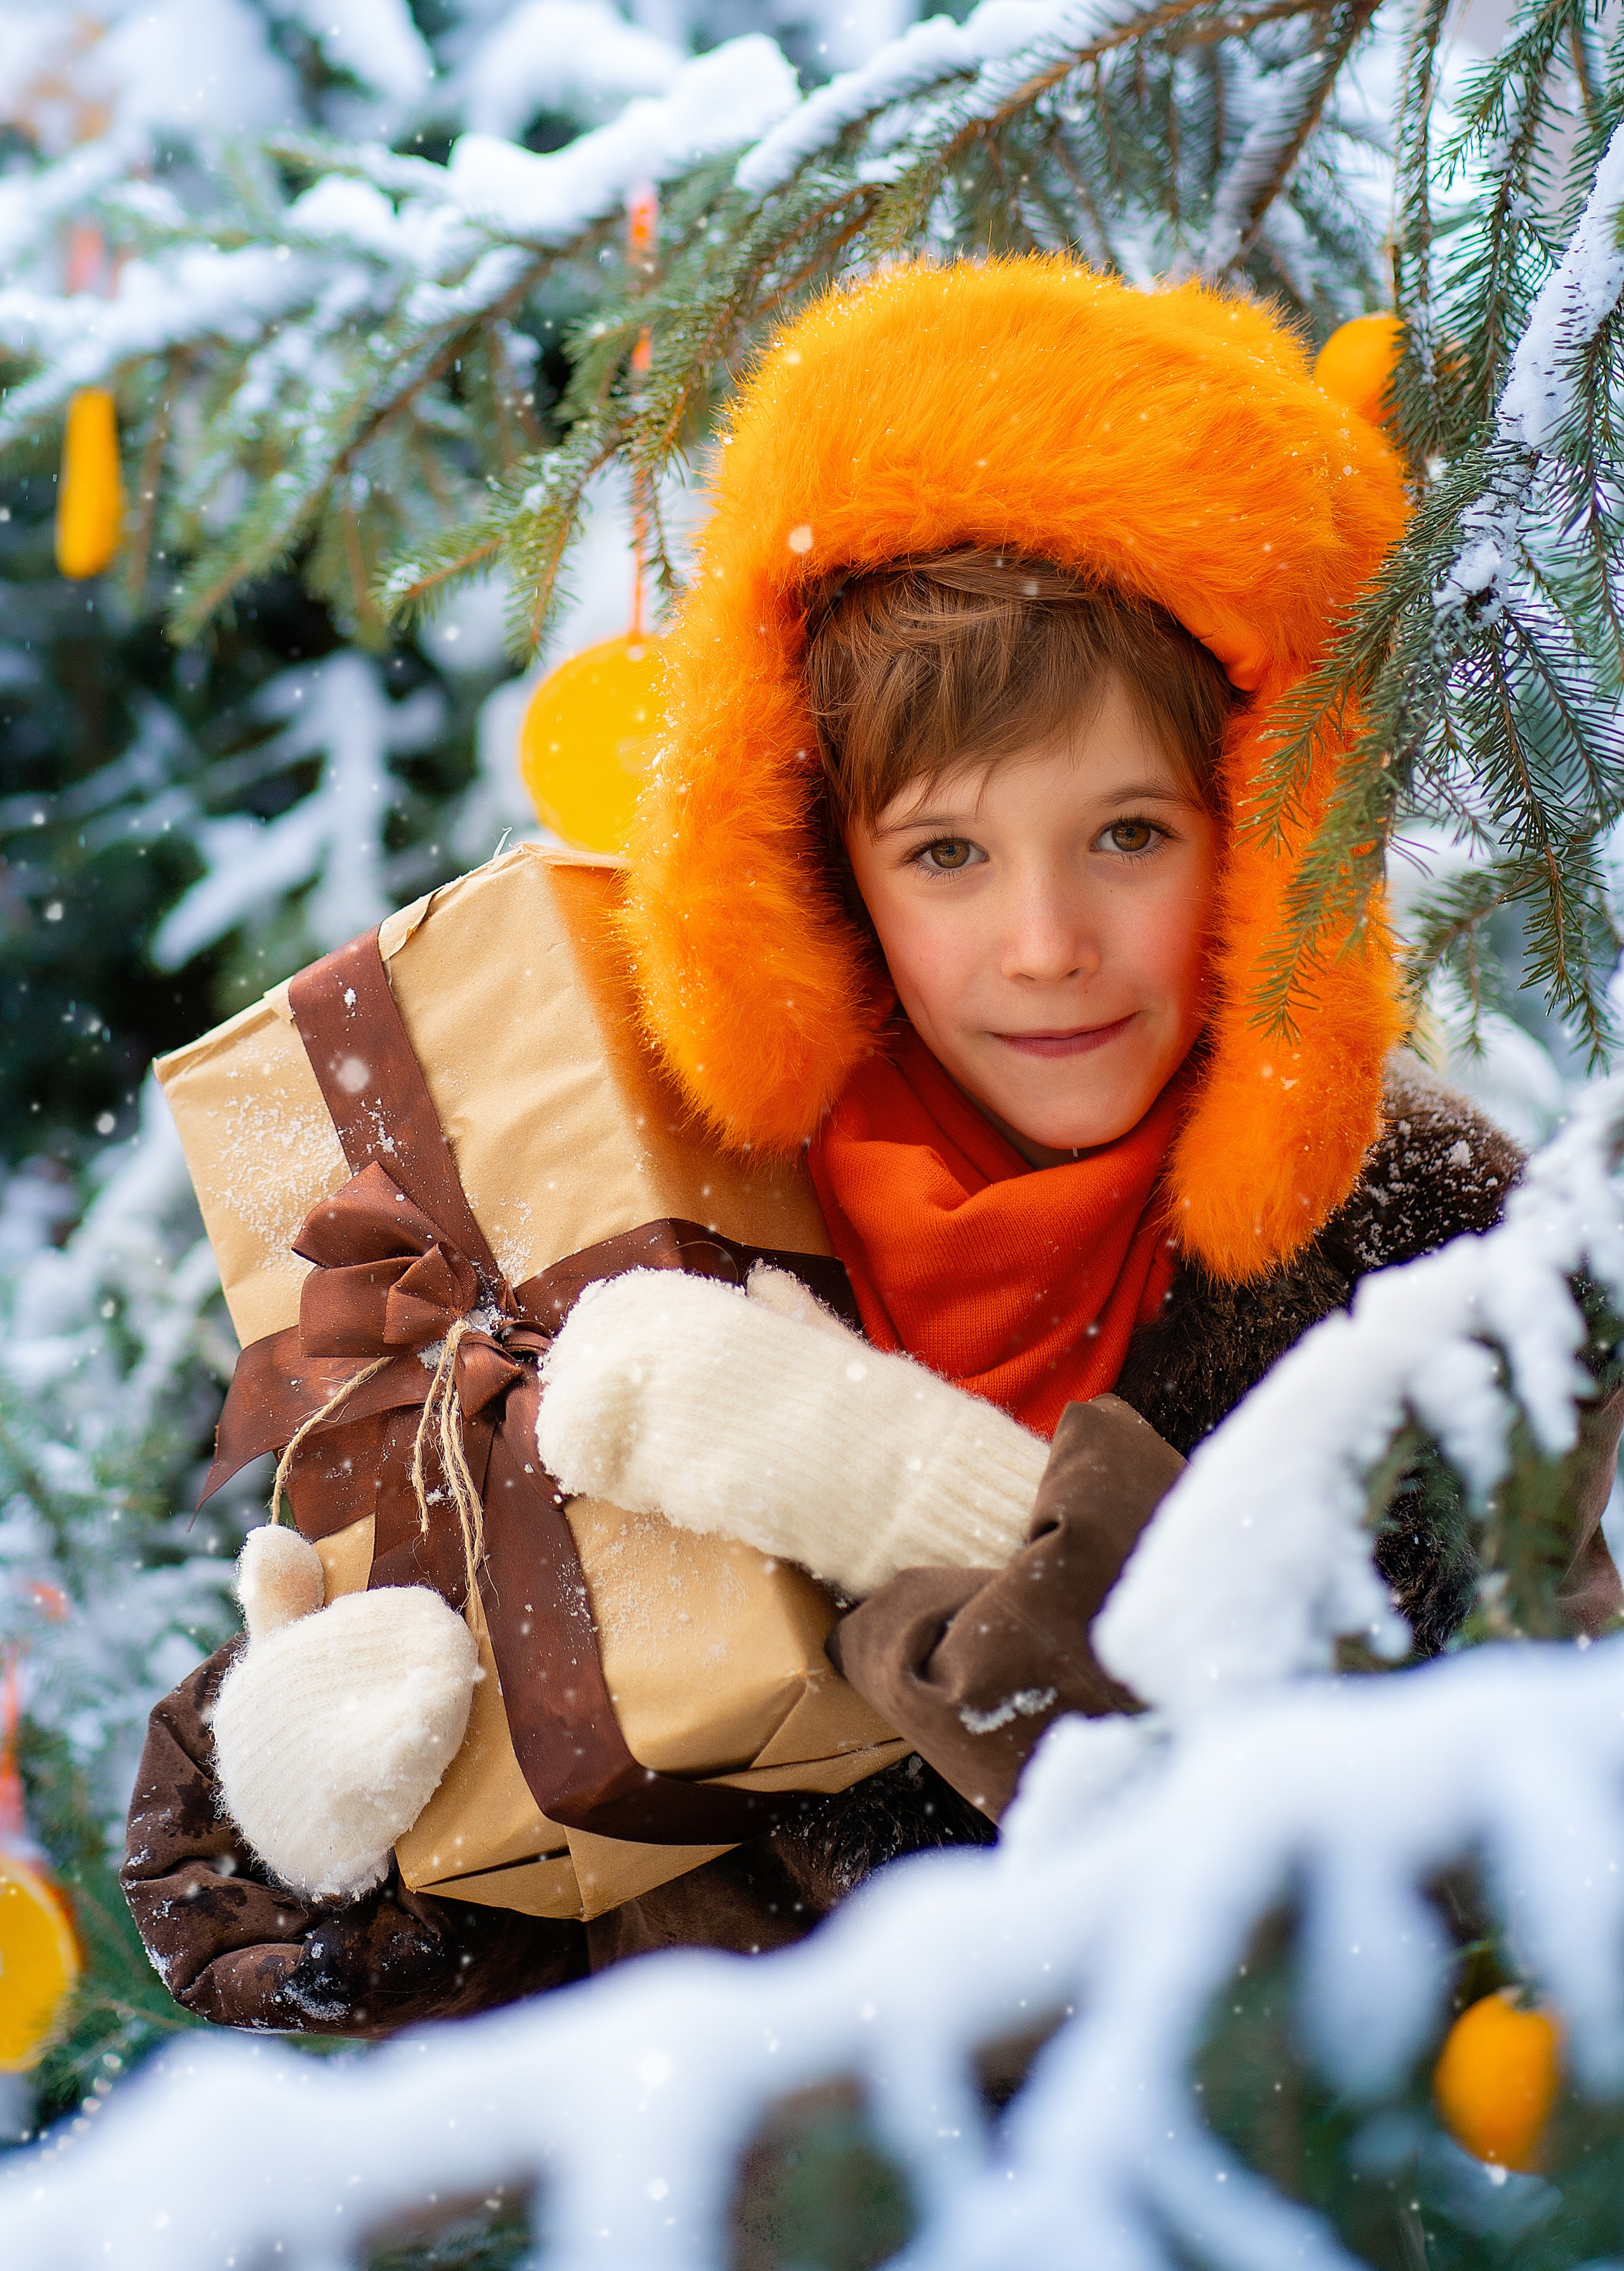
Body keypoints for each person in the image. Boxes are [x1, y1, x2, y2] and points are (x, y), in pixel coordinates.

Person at [121, 261, 1622, 2036]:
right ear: (829, 868)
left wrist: (915, 1505)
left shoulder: (1418, 1245)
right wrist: (309, 1815)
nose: (1049, 942)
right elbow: (513, 1973)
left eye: (1129, 834)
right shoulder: (650, 1208)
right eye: (949, 856)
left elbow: (1463, 1879)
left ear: (1266, 830)